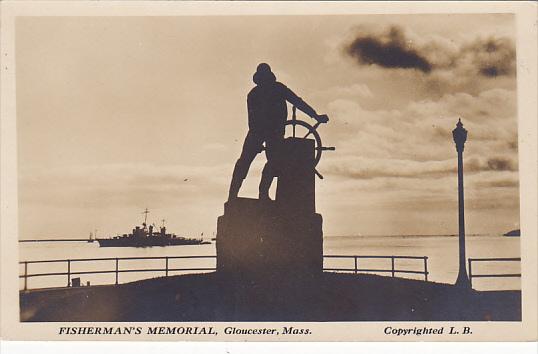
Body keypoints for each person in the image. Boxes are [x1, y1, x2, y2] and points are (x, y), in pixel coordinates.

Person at [228, 63, 329, 201]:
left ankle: (255, 194)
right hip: (262, 132)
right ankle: (237, 195)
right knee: (247, 162)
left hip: (268, 133)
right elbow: (252, 118)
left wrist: (315, 116)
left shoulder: (264, 92)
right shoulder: (261, 93)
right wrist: (316, 116)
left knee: (266, 162)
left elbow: (297, 102)